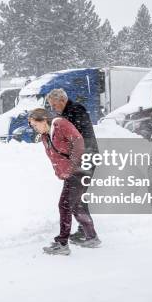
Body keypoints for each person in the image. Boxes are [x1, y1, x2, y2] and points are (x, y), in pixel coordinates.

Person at [28, 108, 100, 256]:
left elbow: (78, 141)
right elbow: (54, 156)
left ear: (43, 120)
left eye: (35, 125)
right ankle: (91, 237)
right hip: (72, 173)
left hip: (80, 169)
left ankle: (62, 243)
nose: (34, 129)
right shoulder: (45, 136)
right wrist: (60, 171)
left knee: (65, 204)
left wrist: (72, 166)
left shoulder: (60, 124)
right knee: (76, 205)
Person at [46, 88, 98, 244]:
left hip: (85, 158)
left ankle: (88, 234)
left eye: (54, 105)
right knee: (77, 198)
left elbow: (79, 138)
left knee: (74, 199)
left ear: (62, 100)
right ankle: (87, 233)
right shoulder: (67, 113)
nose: (53, 108)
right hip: (82, 158)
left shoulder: (76, 110)